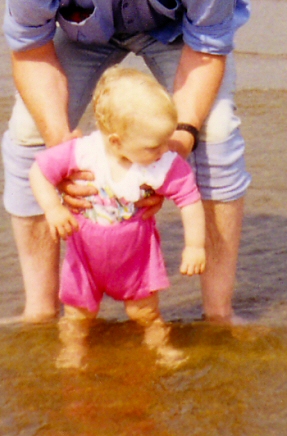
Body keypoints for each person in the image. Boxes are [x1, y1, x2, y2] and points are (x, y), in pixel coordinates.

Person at [0, 0, 251, 324]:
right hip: (81, 36)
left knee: (219, 133)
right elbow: (31, 50)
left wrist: (174, 148)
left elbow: (207, 47)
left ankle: (220, 315)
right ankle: (39, 311)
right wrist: (60, 144)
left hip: (172, 32)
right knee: (25, 136)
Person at [30, 67, 205, 368]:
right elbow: (39, 172)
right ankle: (73, 351)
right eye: (154, 145)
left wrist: (195, 246)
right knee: (77, 314)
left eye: (166, 140)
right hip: (85, 256)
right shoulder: (83, 153)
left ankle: (160, 348)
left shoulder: (159, 163)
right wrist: (54, 209)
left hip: (135, 257)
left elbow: (189, 197)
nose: (166, 150)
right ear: (115, 142)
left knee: (145, 313)